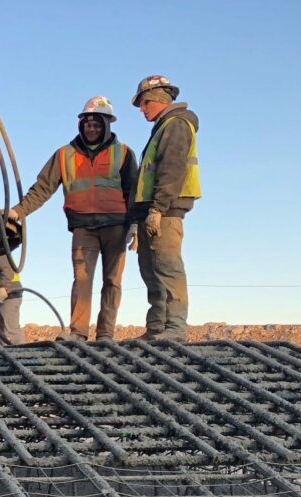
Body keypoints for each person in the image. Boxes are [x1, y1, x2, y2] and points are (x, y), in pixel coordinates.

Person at [8, 97, 137, 341]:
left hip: (116, 226)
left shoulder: (123, 153)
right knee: (82, 279)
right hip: (83, 227)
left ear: (107, 124)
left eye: (97, 124)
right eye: (87, 123)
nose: (91, 128)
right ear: (80, 125)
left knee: (112, 281)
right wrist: (18, 211)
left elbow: (134, 192)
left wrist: (135, 224)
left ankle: (105, 334)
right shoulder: (64, 155)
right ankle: (78, 333)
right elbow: (42, 188)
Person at [130, 75, 200, 340]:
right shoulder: (161, 128)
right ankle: (157, 327)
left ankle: (175, 328)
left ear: (159, 99)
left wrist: (158, 209)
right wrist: (140, 218)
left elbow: (171, 170)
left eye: (144, 102)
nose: (141, 109)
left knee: (167, 266)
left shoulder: (176, 125)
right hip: (152, 211)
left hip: (166, 211)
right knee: (150, 268)